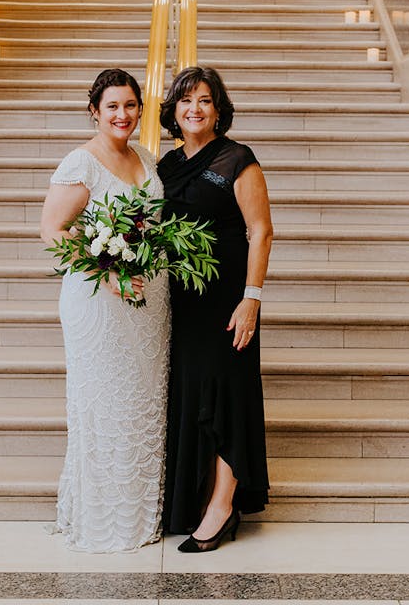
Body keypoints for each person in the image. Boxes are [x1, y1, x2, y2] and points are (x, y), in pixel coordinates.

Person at [39, 68, 170, 553]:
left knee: (142, 403)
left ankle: (141, 514)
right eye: (113, 106)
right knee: (105, 404)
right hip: (99, 303)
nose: (123, 115)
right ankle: (102, 519)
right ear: (94, 110)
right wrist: (108, 273)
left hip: (149, 303)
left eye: (131, 106)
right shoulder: (82, 162)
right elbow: (52, 231)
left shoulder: (146, 157)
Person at [157, 65, 273, 553]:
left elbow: (261, 231)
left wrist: (252, 299)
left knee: (228, 393)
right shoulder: (165, 166)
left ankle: (224, 506)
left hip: (229, 297)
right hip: (183, 300)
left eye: (204, 100)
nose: (194, 109)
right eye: (186, 101)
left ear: (219, 109)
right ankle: (195, 498)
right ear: (173, 111)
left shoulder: (237, 159)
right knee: (192, 394)